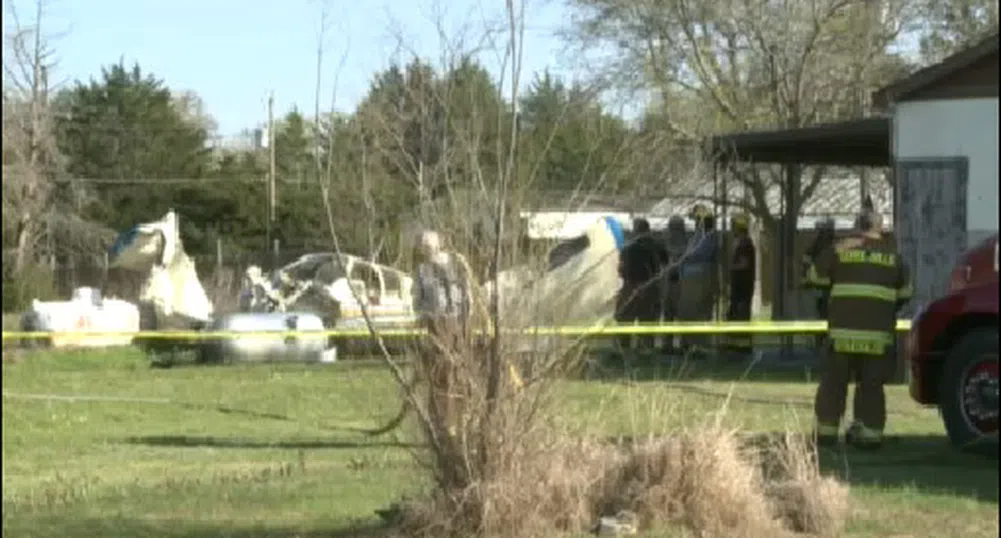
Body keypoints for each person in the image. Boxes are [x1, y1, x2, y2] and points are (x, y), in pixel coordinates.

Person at [809, 206, 912, 450]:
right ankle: (870, 435)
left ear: (857, 227)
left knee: (834, 383)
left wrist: (836, 254)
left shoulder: (840, 251)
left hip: (842, 334)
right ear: (881, 229)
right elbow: (906, 293)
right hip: (878, 336)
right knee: (871, 386)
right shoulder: (894, 258)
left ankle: (826, 433)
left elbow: (814, 277)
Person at [411, 230, 474, 441]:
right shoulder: (421, 271)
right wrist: (424, 317)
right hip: (435, 325)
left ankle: (462, 421)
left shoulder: (457, 264)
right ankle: (440, 424)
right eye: (422, 247)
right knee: (439, 375)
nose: (425, 250)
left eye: (428, 246)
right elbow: (417, 302)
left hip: (458, 323)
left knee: (459, 374)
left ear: (438, 245)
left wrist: (467, 323)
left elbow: (468, 296)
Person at [616, 217, 669, 351]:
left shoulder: (627, 249)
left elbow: (621, 270)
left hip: (631, 287)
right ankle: (645, 349)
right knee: (647, 320)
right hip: (650, 286)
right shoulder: (657, 246)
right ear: (648, 230)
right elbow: (666, 263)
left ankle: (624, 348)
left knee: (625, 319)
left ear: (635, 230)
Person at [678, 205, 720, 355]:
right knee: (688, 313)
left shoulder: (710, 236)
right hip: (689, 279)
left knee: (699, 313)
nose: (695, 223)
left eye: (697, 220)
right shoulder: (696, 236)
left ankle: (700, 346)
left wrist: (685, 257)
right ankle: (688, 344)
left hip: (700, 277)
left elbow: (698, 254)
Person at [724, 214, 756, 357]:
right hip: (739, 285)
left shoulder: (745, 244)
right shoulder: (740, 242)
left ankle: (742, 346)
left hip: (743, 285)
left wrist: (730, 267)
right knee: (734, 313)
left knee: (741, 314)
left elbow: (744, 264)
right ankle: (734, 343)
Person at [802, 218, 837, 348]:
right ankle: (824, 342)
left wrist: (806, 279)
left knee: (822, 315)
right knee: (826, 315)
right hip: (828, 288)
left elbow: (806, 265)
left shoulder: (815, 247)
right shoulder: (833, 246)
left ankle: (821, 341)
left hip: (821, 287)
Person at [661, 215, 687, 354]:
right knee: (668, 314)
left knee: (680, 313)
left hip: (679, 280)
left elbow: (681, 255)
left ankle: (683, 344)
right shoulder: (667, 240)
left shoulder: (683, 241)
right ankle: (668, 344)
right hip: (669, 280)